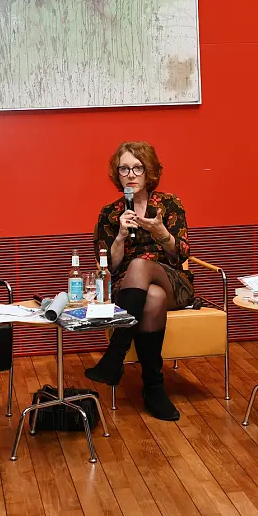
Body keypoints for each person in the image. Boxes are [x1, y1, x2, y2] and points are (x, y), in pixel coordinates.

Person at [85, 141, 194, 421]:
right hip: (131, 289)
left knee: (142, 266)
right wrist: (120, 236)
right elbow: (107, 266)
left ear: (150, 172)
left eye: (137, 168)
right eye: (124, 169)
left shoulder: (169, 204)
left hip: (174, 282)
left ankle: (114, 357)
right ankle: (154, 389)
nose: (131, 174)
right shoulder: (109, 213)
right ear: (117, 174)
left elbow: (180, 253)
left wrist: (160, 231)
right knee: (152, 296)